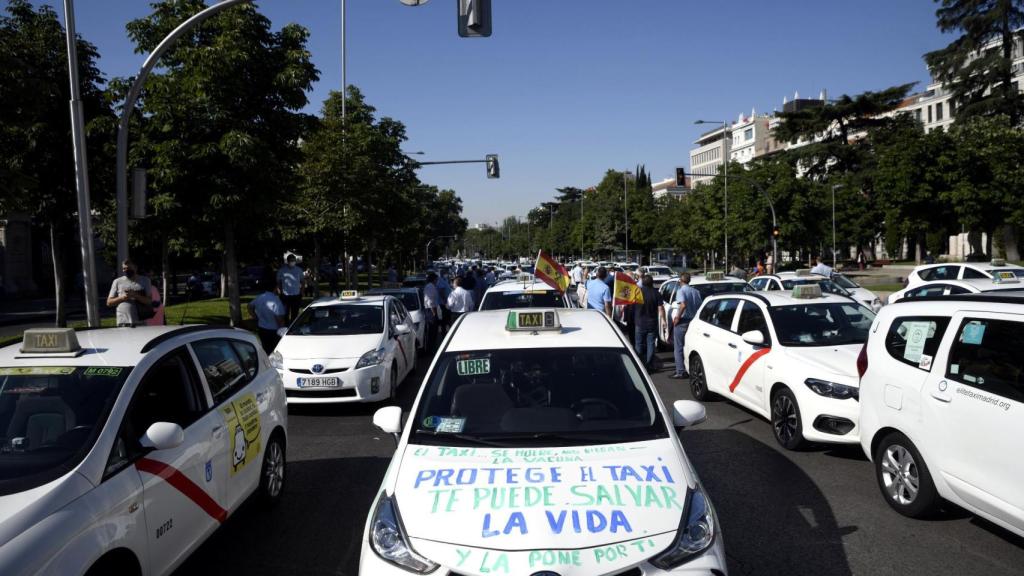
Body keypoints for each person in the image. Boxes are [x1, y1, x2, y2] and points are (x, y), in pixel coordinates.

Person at [669, 273, 703, 380]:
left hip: (683, 321)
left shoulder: (681, 291)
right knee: (691, 346)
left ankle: (680, 371)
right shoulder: (696, 292)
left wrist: (677, 317)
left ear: (680, 281)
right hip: (693, 321)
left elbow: (683, 305)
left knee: (678, 347)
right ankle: (691, 368)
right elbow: (699, 306)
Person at [248, 270, 286, 354]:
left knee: (265, 349)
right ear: (275, 288)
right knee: (275, 351)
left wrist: (255, 316)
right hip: (274, 331)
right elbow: (280, 319)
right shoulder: (276, 301)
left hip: (262, 328)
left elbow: (250, 306)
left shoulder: (260, 297)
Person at [106, 259, 152, 328]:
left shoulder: (145, 280)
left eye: (129, 268)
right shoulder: (117, 281)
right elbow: (109, 303)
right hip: (123, 322)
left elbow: (149, 301)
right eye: (124, 268)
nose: (126, 270)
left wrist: (135, 295)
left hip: (140, 323)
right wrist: (123, 297)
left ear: (135, 268)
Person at [634, 274, 664, 371]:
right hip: (652, 322)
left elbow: (631, 304)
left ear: (642, 283)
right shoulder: (656, 293)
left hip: (639, 322)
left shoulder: (638, 293)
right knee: (651, 344)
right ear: (652, 283)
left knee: (639, 344)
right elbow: (661, 309)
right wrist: (663, 320)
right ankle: (649, 364)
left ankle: (638, 365)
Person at [277, 254, 303, 323]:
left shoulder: (299, 270)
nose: (292, 262)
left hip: (296, 296)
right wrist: (280, 292)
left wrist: (301, 292)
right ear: (287, 261)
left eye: (294, 260)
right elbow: (279, 282)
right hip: (285, 296)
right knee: (285, 314)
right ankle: (286, 327)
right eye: (291, 260)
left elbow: (303, 281)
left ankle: (293, 328)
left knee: (295, 314)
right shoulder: (282, 270)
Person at [422, 272, 442, 351]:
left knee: (434, 330)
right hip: (431, 310)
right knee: (432, 330)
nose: (437, 281)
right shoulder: (430, 287)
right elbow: (430, 301)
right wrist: (434, 312)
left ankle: (432, 347)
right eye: (436, 279)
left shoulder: (432, 286)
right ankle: (431, 349)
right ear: (434, 279)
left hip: (432, 309)